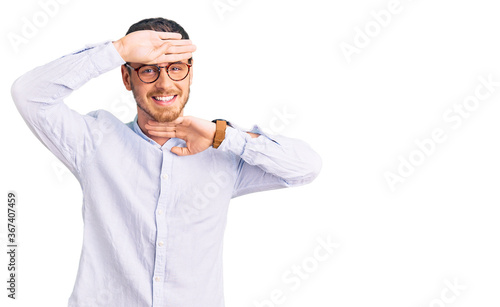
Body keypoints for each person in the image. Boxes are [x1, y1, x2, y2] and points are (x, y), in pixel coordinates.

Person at [11, 17, 322, 307]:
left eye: (175, 68)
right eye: (148, 69)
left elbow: (306, 167)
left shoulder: (223, 154)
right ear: (126, 76)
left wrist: (222, 135)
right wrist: (117, 50)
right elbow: (29, 94)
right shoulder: (94, 140)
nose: (163, 83)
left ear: (189, 73)